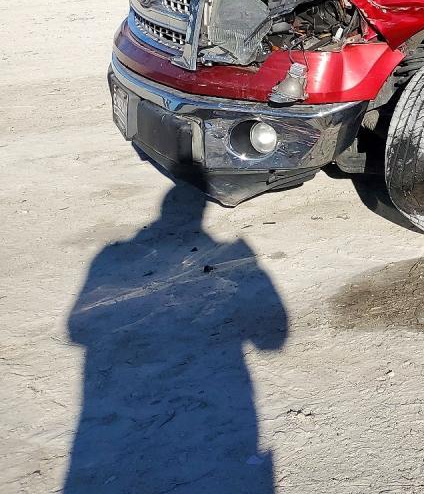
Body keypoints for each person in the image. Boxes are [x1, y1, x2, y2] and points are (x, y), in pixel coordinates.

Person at [64, 183, 287, 493]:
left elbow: (77, 329)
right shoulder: (231, 253)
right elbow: (273, 341)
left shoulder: (108, 255)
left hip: (120, 412)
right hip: (220, 391)